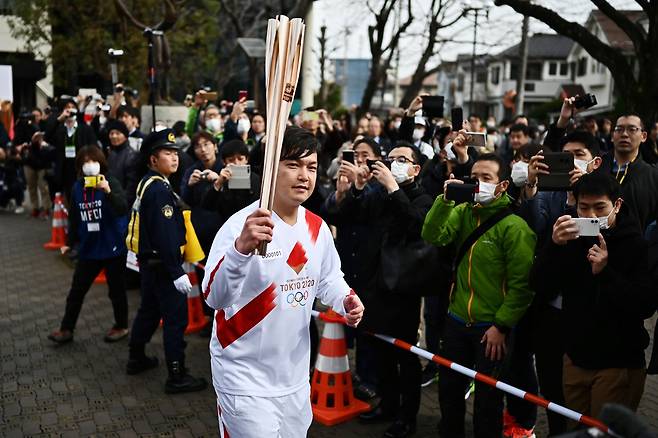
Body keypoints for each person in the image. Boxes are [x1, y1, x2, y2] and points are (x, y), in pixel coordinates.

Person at [202, 126, 364, 437]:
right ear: (268, 171)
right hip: (244, 380)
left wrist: (345, 299)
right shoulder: (241, 227)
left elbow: (328, 277)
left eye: (312, 167)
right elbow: (214, 297)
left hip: (294, 379)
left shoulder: (316, 229)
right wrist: (239, 252)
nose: (304, 175)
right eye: (293, 165)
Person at [422, 150, 536, 438]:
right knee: (449, 392)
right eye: (473, 178)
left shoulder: (515, 227)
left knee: (488, 401)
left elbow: (522, 286)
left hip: (491, 329)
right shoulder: (462, 212)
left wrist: (501, 326)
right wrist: (444, 201)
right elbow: (433, 235)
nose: (478, 183)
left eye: (486, 178)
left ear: (503, 185)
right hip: (457, 320)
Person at [531, 172, 656, 421]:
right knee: (576, 429)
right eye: (583, 207)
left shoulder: (638, 246)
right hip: (575, 358)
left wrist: (605, 272)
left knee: (603, 430)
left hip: (618, 363)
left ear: (617, 205)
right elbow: (538, 284)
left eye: (599, 208)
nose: (589, 216)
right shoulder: (570, 238)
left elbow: (644, 305)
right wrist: (553, 247)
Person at [335, 142, 434, 438]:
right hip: (373, 284)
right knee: (380, 352)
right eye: (390, 159)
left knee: (404, 354)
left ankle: (408, 417)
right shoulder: (377, 194)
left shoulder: (423, 197)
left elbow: (416, 225)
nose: (394, 164)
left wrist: (393, 187)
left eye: (402, 160)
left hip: (403, 288)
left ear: (415, 169)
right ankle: (388, 404)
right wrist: (357, 188)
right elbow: (349, 217)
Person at [126, 128, 207, 394]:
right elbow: (165, 234)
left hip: (150, 263)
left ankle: (136, 357)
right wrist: (176, 271)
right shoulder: (159, 189)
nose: (174, 158)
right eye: (167, 153)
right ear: (152, 159)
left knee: (149, 310)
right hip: (163, 265)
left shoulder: (149, 182)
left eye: (175, 153)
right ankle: (176, 374)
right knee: (175, 319)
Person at [47, 146, 130, 344]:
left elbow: (122, 208)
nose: (90, 166)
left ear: (101, 163)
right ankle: (66, 329)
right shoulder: (77, 187)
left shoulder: (111, 182)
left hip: (112, 248)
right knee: (77, 290)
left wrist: (108, 191)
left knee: (116, 291)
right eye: (85, 162)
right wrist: (69, 242)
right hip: (89, 248)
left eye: (93, 161)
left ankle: (121, 326)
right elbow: (75, 218)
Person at [200, 139, 261, 226]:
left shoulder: (256, 180)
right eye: (231, 160)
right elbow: (207, 206)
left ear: (246, 159)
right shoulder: (221, 180)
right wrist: (219, 183)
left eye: (240, 159)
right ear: (224, 162)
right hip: (228, 226)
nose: (236, 163)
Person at [105, 119, 140, 207]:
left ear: (125, 136)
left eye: (117, 133)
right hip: (111, 199)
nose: (114, 136)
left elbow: (131, 186)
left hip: (124, 203)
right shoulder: (111, 154)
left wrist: (122, 202)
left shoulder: (131, 155)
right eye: (111, 133)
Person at [20, 131, 53, 218]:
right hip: (30, 165)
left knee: (43, 187)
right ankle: (35, 208)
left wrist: (44, 146)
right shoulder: (28, 143)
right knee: (31, 187)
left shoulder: (45, 145)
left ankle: (46, 209)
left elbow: (50, 153)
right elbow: (21, 152)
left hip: (42, 166)